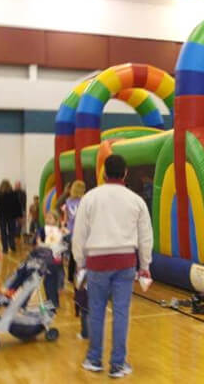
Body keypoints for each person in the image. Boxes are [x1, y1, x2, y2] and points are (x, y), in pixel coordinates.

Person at [73, 154, 153, 378]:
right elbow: (145, 236)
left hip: (97, 263)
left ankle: (94, 359)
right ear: (125, 173)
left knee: (96, 310)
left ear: (104, 173)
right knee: (121, 312)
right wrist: (144, 265)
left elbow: (79, 234)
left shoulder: (90, 198)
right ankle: (118, 365)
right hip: (126, 262)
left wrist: (79, 262)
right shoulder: (135, 200)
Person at [37, 211, 66, 309]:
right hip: (47, 259)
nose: (47, 220)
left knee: (50, 281)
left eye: (50, 218)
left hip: (55, 260)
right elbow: (38, 241)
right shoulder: (42, 230)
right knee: (48, 282)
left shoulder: (59, 230)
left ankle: (52, 303)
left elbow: (64, 243)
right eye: (46, 218)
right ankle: (52, 302)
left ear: (56, 220)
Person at [62, 180, 86, 282]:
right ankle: (81, 274)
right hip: (82, 230)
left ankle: (70, 276)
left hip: (72, 230)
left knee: (73, 254)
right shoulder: (84, 201)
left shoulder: (68, 201)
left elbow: (66, 219)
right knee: (82, 253)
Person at [0, 180, 22, 254]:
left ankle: (5, 248)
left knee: (3, 232)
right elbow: (18, 205)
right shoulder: (13, 193)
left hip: (1, 216)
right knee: (12, 231)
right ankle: (12, 246)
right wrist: (20, 216)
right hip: (11, 216)